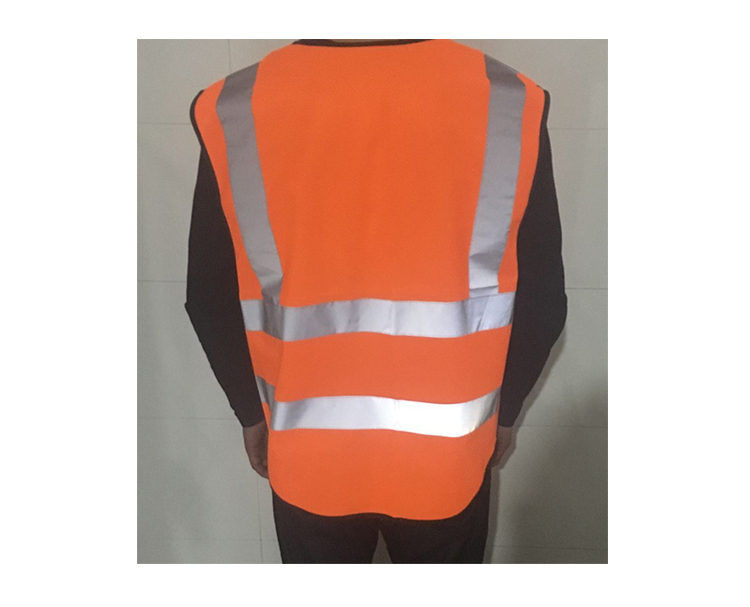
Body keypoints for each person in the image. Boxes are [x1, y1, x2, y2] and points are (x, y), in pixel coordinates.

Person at [185, 39, 567, 563]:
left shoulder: (234, 105)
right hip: (446, 460)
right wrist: (506, 413)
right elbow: (544, 301)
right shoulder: (508, 98)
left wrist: (250, 414)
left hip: (308, 456)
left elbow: (208, 298)